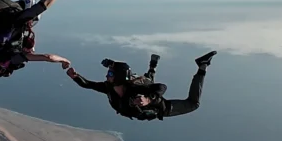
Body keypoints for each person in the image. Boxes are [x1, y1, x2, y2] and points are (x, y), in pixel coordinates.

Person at [66, 51, 218, 120]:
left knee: (193, 104)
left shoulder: (136, 88)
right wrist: (76, 77)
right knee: (146, 80)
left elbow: (162, 87)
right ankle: (153, 66)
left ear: (118, 77)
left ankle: (202, 66)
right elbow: (89, 85)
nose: (107, 76)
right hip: (139, 96)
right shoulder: (109, 87)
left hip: (162, 108)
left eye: (111, 74)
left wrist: (149, 99)